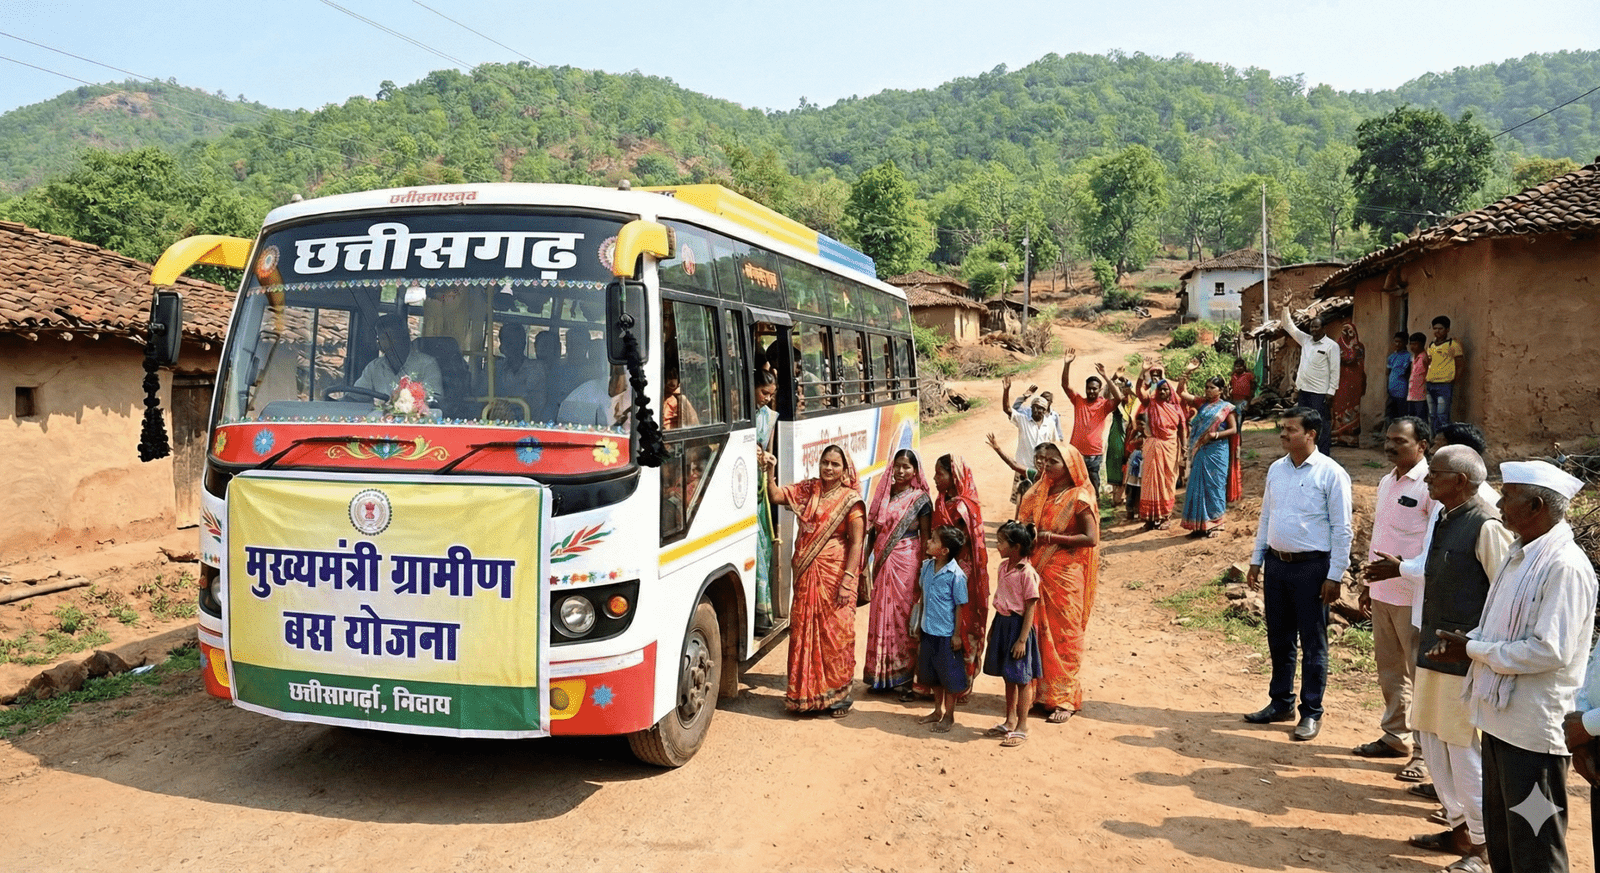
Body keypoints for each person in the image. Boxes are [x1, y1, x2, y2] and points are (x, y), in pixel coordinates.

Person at [1425, 461, 1595, 873]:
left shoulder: (1564, 566)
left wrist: (1477, 651)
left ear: (1535, 505)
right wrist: (1471, 647)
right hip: (1501, 720)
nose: (1498, 502)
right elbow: (1494, 623)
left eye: (1508, 495)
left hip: (1533, 732)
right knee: (1504, 845)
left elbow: (1548, 650)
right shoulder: (1520, 555)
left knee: (1536, 848)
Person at [1367, 445, 1513, 873]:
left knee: (1460, 747)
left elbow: (1505, 595)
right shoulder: (1445, 518)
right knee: (1430, 738)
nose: (1428, 480)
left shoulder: (1486, 525)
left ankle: (1485, 846)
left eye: (1436, 474)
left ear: (1461, 482)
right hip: (1433, 645)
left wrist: (1477, 646)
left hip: (1463, 657)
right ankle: (1459, 827)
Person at [1244, 406, 1352, 742]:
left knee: (1313, 641)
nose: (1282, 434)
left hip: (1312, 568)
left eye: (1290, 429)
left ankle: (1311, 712)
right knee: (1279, 637)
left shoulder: (1331, 473)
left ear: (1311, 434)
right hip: (1277, 564)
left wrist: (1335, 575)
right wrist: (1256, 559)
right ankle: (1280, 703)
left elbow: (1343, 529)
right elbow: (1267, 516)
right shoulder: (1277, 469)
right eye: (1282, 429)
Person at [1351, 416, 1437, 782]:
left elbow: (1433, 547)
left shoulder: (1431, 486)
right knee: (1390, 670)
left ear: (1422, 445)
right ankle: (1395, 735)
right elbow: (1380, 538)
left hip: (1413, 596)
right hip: (1384, 592)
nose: (1390, 446)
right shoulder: (1387, 481)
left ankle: (1423, 752)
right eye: (1387, 439)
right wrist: (1369, 585)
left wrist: (1404, 573)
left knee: (1421, 676)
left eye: (1399, 441)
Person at [759, 443, 866, 717]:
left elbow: (856, 544)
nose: (829, 468)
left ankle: (838, 696)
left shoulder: (851, 500)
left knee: (836, 634)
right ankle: (804, 694)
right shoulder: (808, 490)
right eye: (825, 462)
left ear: (845, 470)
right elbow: (775, 496)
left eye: (835, 464)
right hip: (807, 575)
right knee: (804, 631)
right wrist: (770, 471)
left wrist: (848, 580)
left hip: (835, 576)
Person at [1016, 440, 1100, 724]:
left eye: (1054, 462)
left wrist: (1051, 537)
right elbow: (1023, 525)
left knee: (1065, 634)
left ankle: (1064, 697)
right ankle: (1038, 693)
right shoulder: (1036, 493)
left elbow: (1091, 538)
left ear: (1070, 466)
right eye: (1045, 461)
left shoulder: (1079, 497)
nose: (1047, 466)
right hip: (1036, 573)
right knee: (1035, 632)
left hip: (1065, 577)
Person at [863, 449, 931, 697]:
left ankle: (902, 676)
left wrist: (926, 572)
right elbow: (872, 530)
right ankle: (879, 675)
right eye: (898, 466)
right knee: (881, 614)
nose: (901, 471)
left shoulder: (920, 500)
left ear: (915, 471)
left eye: (907, 467)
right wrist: (864, 562)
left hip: (908, 563)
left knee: (903, 619)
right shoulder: (884, 494)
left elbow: (925, 539)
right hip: (883, 562)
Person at [930, 453, 989, 699]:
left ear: (953, 477)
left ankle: (963, 682)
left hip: (962, 573)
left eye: (939, 474)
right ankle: (941, 679)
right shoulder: (941, 500)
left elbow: (963, 542)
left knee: (962, 624)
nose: (935, 478)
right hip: (941, 567)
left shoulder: (963, 507)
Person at [983, 520, 1043, 748]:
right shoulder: (1003, 568)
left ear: (1016, 546)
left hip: (1019, 628)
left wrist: (1021, 640)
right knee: (1009, 675)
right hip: (1003, 623)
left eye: (1000, 542)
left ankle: (1022, 726)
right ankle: (1009, 721)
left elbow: (1030, 607)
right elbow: (1002, 600)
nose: (997, 546)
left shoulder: (1027, 573)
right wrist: (993, 629)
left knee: (1022, 678)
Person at [914, 525, 970, 733]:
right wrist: (920, 625)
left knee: (949, 678)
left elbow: (959, 607)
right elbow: (923, 596)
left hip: (946, 635)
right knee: (933, 676)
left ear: (944, 550)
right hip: (928, 630)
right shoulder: (927, 567)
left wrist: (956, 635)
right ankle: (937, 710)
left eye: (934, 540)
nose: (928, 542)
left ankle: (949, 715)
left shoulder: (956, 575)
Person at [1175, 371, 1239, 537]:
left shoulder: (1227, 408)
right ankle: (1198, 525)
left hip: (1217, 450)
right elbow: (1180, 393)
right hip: (1201, 449)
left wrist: (1215, 435)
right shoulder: (1201, 403)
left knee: (1214, 486)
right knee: (1197, 486)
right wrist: (1186, 373)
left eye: (1212, 387)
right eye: (1206, 387)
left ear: (1220, 390)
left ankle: (1216, 523)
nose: (1208, 390)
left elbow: (1233, 429)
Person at [1061, 350, 1125, 494]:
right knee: (1074, 488)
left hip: (1094, 454)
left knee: (1093, 488)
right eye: (1089, 388)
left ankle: (1095, 512)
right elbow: (1065, 385)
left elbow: (1119, 398)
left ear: (1098, 390)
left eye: (1094, 389)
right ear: (1086, 388)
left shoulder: (1104, 405)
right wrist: (1067, 365)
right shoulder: (1078, 401)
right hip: (1075, 452)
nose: (1091, 391)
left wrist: (1106, 377)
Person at [1133, 364, 1186, 530]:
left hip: (1169, 448)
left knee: (1167, 482)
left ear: (1170, 391)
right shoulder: (1151, 403)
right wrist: (1143, 372)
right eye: (1160, 390)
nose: (1162, 392)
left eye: (1165, 390)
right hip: (1152, 447)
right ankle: (1149, 519)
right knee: (1149, 484)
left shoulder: (1176, 409)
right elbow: (1139, 392)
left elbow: (1182, 429)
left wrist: (1184, 449)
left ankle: (1165, 517)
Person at [1281, 306, 1340, 456]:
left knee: (1320, 425)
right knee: (1305, 424)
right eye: (1311, 327)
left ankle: (1323, 455)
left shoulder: (1331, 346)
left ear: (1324, 328)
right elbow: (1288, 326)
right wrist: (1286, 307)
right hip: (1304, 391)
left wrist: (1331, 392)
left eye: (1316, 327)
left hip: (1320, 394)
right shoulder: (1305, 340)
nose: (1313, 329)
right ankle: (1307, 453)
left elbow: (1335, 370)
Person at [353, 314, 443, 401]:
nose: (389, 343)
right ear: (378, 343)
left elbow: (434, 401)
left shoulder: (427, 365)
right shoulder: (373, 368)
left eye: (393, 337)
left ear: (405, 338)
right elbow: (355, 396)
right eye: (384, 338)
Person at [1001, 375, 1057, 504]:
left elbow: (1053, 446)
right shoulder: (1023, 421)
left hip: (1041, 470)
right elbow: (1007, 409)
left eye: (1040, 408)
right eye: (1034, 407)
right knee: (1020, 499)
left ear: (1044, 410)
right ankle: (1019, 522)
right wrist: (1006, 391)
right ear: (1030, 408)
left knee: (1039, 500)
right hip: (1022, 467)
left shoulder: (1050, 424)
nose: (1036, 410)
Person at [753, 370, 779, 632]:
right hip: (742, 487)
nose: (767, 400)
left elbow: (768, 452)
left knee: (764, 547)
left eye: (771, 396)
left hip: (759, 491)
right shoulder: (739, 412)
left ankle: (763, 613)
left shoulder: (768, 418)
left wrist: (767, 462)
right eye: (763, 393)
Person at [1425, 316, 1466, 433]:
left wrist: (1454, 380)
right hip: (1430, 384)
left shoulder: (1452, 345)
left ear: (1447, 329)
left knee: (1442, 416)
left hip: (1444, 385)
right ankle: (1433, 441)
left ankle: (1443, 442)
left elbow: (1460, 364)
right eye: (1435, 328)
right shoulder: (1431, 346)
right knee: (1432, 416)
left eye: (1440, 328)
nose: (1437, 331)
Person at [1331, 322, 1366, 447]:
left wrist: (1350, 351)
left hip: (1355, 383)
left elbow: (1352, 359)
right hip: (1340, 382)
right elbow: (1342, 359)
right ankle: (1338, 438)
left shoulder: (1359, 347)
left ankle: (1351, 439)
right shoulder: (1336, 347)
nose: (1348, 334)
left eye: (1350, 331)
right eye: (1345, 331)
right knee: (1338, 407)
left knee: (1353, 408)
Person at [1385, 331, 1412, 424]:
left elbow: (1409, 373)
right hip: (1391, 390)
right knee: (1389, 414)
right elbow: (1388, 373)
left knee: (1401, 415)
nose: (1397, 344)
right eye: (1395, 341)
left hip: (1402, 391)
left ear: (1405, 343)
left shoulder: (1408, 356)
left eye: (1400, 342)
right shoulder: (1391, 357)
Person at [1406, 332, 1430, 420]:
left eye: (1415, 344)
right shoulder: (1413, 357)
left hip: (1421, 395)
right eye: (1411, 344)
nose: (1412, 347)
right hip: (1411, 394)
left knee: (1421, 419)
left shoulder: (1424, 357)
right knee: (1411, 419)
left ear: (1422, 344)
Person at [1229, 357, 1257, 423]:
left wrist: (1249, 400)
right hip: (1234, 400)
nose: (1238, 368)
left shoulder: (1249, 375)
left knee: (1240, 417)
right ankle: (1237, 431)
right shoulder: (1233, 376)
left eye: (1240, 366)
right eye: (1237, 366)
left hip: (1244, 400)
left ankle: (1238, 431)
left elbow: (1253, 387)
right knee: (1236, 417)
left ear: (1243, 367)